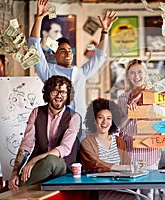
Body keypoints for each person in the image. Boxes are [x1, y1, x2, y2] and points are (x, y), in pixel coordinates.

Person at [29, 0, 118, 139]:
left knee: (83, 160)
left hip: (80, 128)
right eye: (63, 51)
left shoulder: (80, 73)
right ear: (55, 54)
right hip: (57, 129)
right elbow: (34, 46)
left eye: (70, 50)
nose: (68, 53)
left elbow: (99, 57)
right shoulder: (48, 72)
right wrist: (39, 18)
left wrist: (105, 30)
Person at [8, 75, 81, 189]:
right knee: (42, 164)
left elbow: (65, 148)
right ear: (48, 92)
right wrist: (14, 173)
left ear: (68, 95)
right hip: (40, 167)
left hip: (62, 165)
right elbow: (26, 145)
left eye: (63, 92)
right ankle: (16, 184)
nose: (59, 95)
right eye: (55, 91)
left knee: (50, 160)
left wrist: (34, 160)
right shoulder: (36, 112)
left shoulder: (74, 117)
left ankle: (18, 188)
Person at [117, 59, 162, 199]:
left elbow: (160, 121)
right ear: (128, 76)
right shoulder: (123, 98)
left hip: (150, 151)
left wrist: (143, 100)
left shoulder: (155, 96)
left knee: (147, 193)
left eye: (140, 72)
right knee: (130, 193)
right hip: (129, 151)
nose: (136, 76)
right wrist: (131, 114)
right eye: (132, 73)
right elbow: (119, 128)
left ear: (146, 73)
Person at [80, 98, 137, 200]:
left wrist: (135, 166)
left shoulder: (119, 141)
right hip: (99, 189)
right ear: (94, 120)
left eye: (109, 118)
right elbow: (95, 165)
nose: (104, 122)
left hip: (121, 187)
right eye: (100, 117)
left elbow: (127, 166)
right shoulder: (87, 143)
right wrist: (123, 168)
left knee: (133, 196)